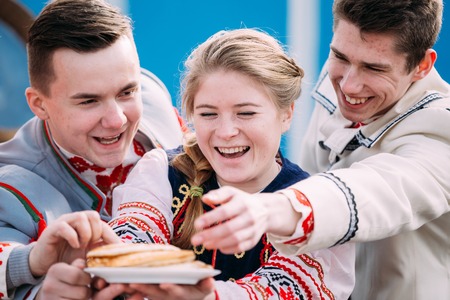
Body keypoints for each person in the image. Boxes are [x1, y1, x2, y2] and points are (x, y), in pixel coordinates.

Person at [190, 0, 450, 299]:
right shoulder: (339, 83)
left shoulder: (441, 128)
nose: (349, 85)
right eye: (340, 56)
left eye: (373, 68)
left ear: (422, 65)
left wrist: (273, 207)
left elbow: (380, 189)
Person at [110, 28, 355, 300]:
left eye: (246, 113)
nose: (226, 131)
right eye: (208, 113)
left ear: (286, 114)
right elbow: (131, 239)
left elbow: (276, 292)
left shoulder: (315, 210)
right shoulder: (161, 172)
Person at [0, 0, 183, 298]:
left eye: (126, 91)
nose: (117, 120)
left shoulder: (153, 96)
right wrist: (37, 286)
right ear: (38, 104)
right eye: (88, 101)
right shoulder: (9, 183)